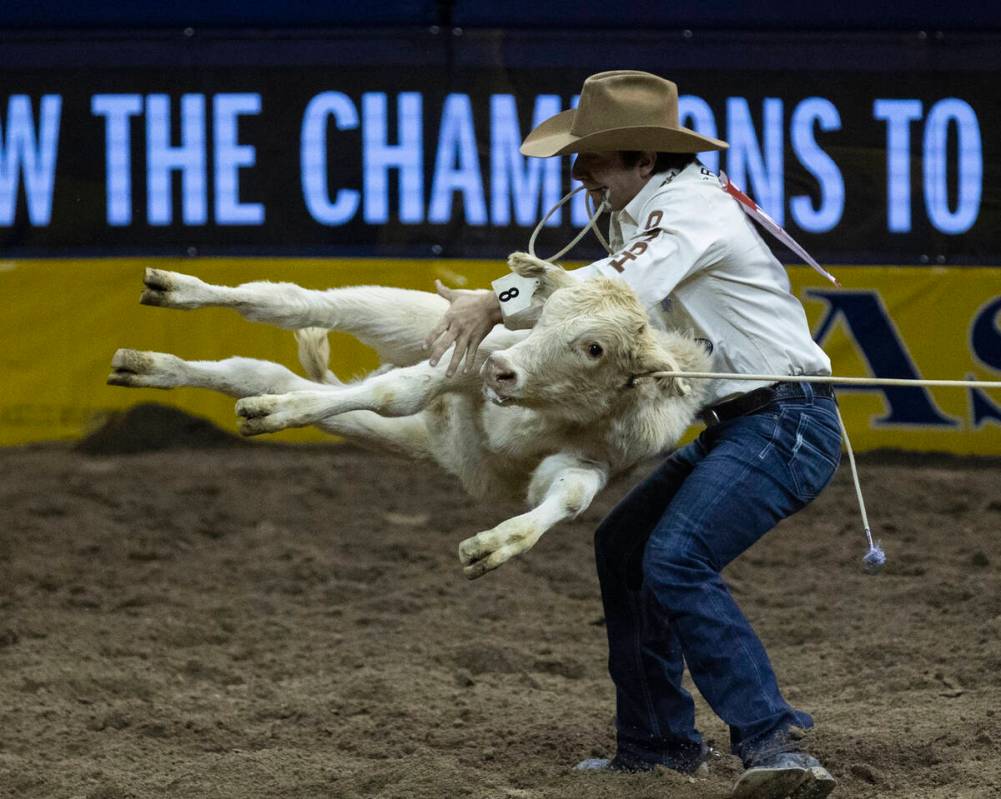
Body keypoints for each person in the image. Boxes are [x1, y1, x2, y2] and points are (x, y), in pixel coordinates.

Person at [424, 70, 841, 799]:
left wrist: (492, 301)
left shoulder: (688, 211)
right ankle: (657, 746)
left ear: (644, 160)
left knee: (675, 557)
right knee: (624, 548)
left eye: (595, 158)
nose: (578, 171)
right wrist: (499, 301)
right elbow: (595, 285)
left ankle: (774, 746)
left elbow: (606, 294)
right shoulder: (650, 214)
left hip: (785, 421)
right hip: (749, 422)